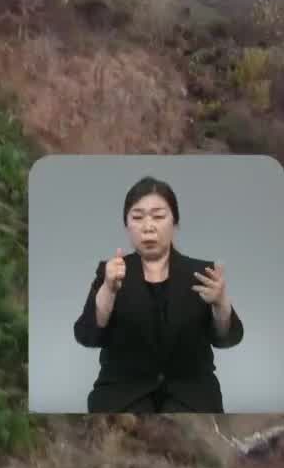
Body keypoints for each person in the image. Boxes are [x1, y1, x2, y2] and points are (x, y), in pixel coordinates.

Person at [73, 176, 244, 412]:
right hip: (122, 395)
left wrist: (221, 304)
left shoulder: (202, 273)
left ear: (175, 223)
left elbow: (227, 339)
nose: (148, 226)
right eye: (137, 217)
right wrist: (108, 290)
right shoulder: (110, 272)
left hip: (191, 396)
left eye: (158, 216)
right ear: (127, 225)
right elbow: (87, 336)